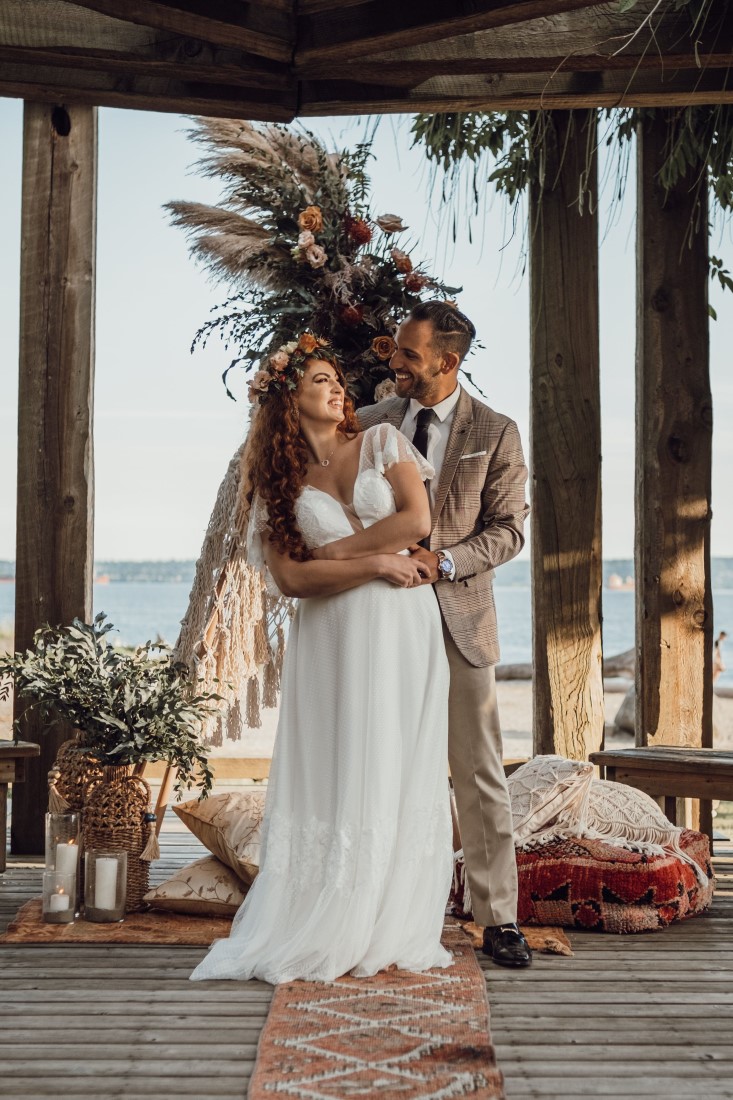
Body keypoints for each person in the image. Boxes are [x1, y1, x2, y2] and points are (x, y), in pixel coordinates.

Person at [190, 332, 454, 984]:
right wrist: (365, 562)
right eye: (320, 381)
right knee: (338, 764)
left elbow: (414, 522)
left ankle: (389, 918)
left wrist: (336, 554)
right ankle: (327, 911)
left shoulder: (382, 443)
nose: (338, 389)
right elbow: (291, 579)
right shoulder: (278, 482)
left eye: (338, 380)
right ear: (288, 401)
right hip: (329, 637)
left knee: (393, 761)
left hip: (399, 627)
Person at [359, 301, 532, 968]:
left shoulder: (497, 430)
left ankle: (498, 919)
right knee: (381, 766)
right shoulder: (370, 423)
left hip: (460, 622)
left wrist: (443, 560)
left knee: (478, 773)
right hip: (378, 619)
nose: (393, 361)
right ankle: (384, 911)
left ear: (447, 361)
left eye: (406, 353)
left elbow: (508, 529)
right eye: (395, 349)